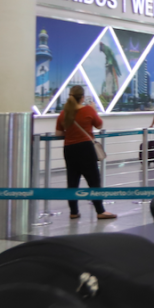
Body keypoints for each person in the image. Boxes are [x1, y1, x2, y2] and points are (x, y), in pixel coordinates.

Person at [54, 86, 116, 220]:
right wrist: (94, 110)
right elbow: (99, 125)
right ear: (82, 98)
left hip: (69, 149)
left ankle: (73, 212)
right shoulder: (88, 110)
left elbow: (58, 133)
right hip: (85, 149)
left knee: (72, 181)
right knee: (93, 180)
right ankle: (100, 211)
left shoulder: (63, 113)